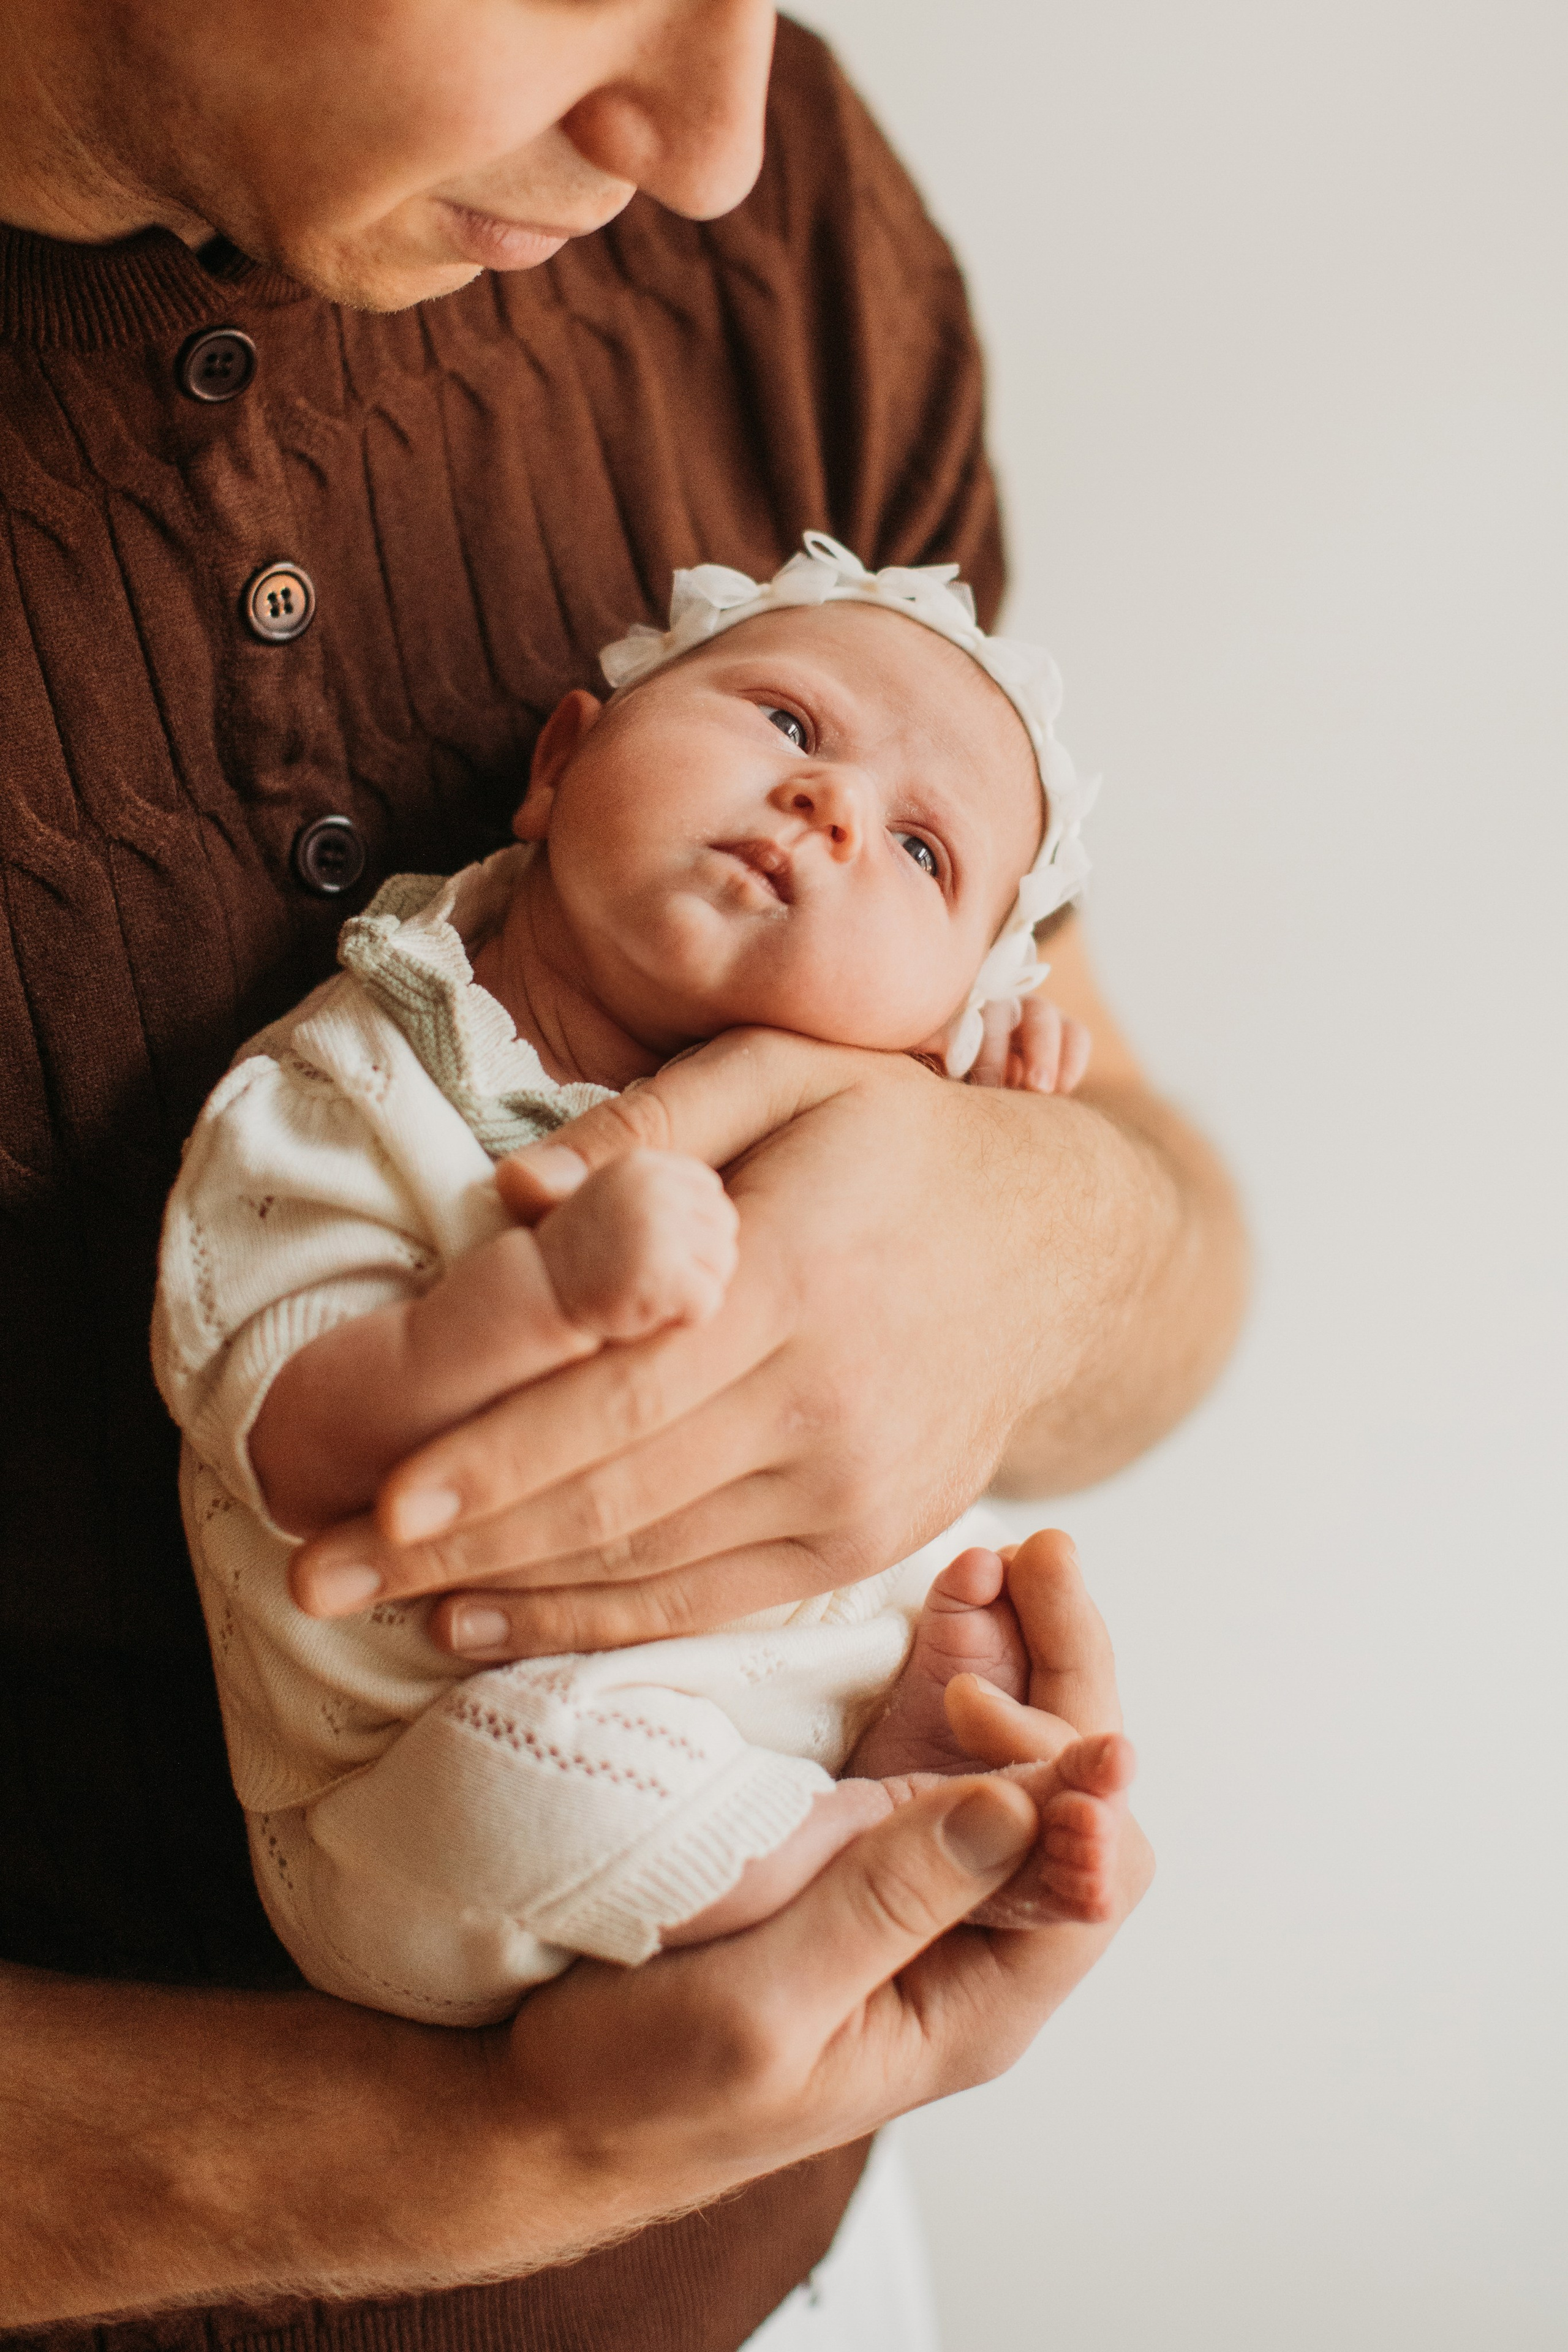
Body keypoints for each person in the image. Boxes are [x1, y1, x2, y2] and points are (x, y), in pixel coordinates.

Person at [0, 0, 1244, 2339]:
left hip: (805, 2269)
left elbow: (1177, 1233)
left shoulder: (783, 240)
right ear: (564, 765)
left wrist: (1037, 1242)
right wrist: (509, 2154)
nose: (713, 138)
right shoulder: (362, 1093)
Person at [153, 536, 1128, 2022]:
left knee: (995, 1585)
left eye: (923, 854)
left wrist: (1000, 1130)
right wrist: (536, 1302)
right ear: (561, 760)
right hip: (425, 1777)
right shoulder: (360, 1078)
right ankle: (864, 1845)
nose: (831, 805)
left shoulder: (881, 1119)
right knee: (497, 1796)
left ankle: (892, 1752)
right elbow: (287, 1438)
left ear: (945, 1023)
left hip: (789, 1686)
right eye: (792, 725)